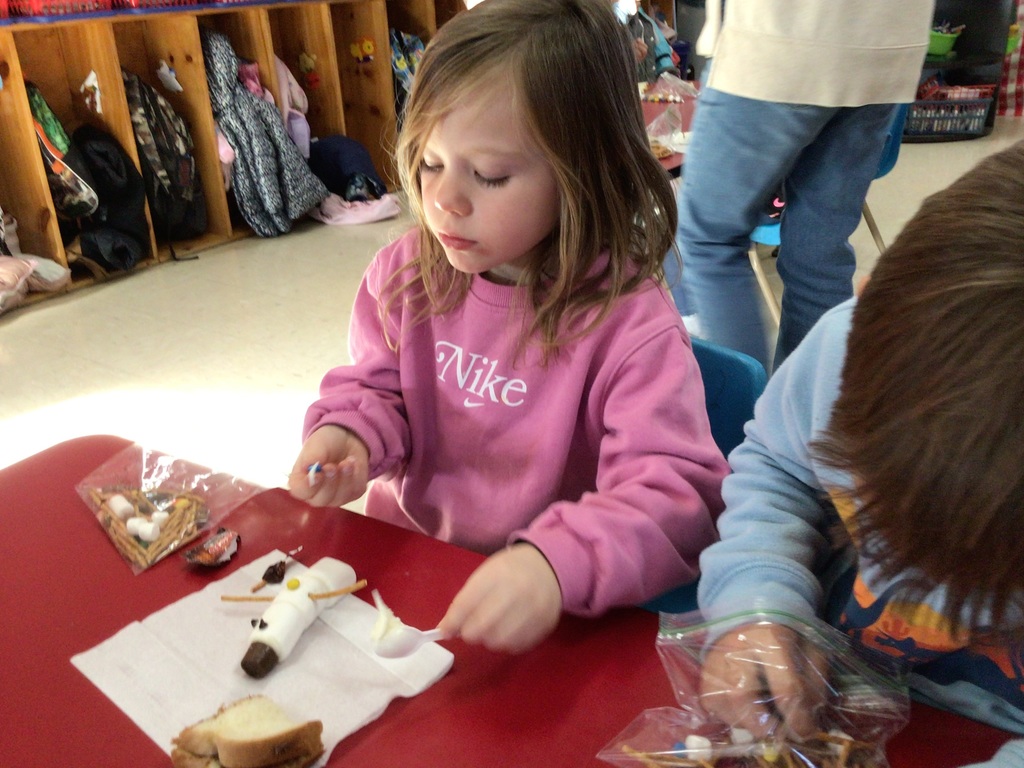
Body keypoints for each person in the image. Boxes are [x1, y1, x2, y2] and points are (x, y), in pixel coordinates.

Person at [288, 0, 729, 654]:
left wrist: (555, 563)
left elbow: (678, 496)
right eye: (430, 162)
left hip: (548, 622)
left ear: (583, 172)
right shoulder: (407, 271)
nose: (443, 201)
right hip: (406, 583)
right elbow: (378, 390)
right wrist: (350, 433)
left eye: (489, 175)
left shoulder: (627, 320)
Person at [695, 142, 1024, 766]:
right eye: (867, 499)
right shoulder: (850, 349)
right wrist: (759, 601)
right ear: (866, 301)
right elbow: (780, 466)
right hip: (829, 684)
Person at [674, 0, 935, 371]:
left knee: (709, 238)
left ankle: (743, 423)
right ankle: (803, 420)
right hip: (888, 43)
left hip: (786, 32)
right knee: (819, 254)